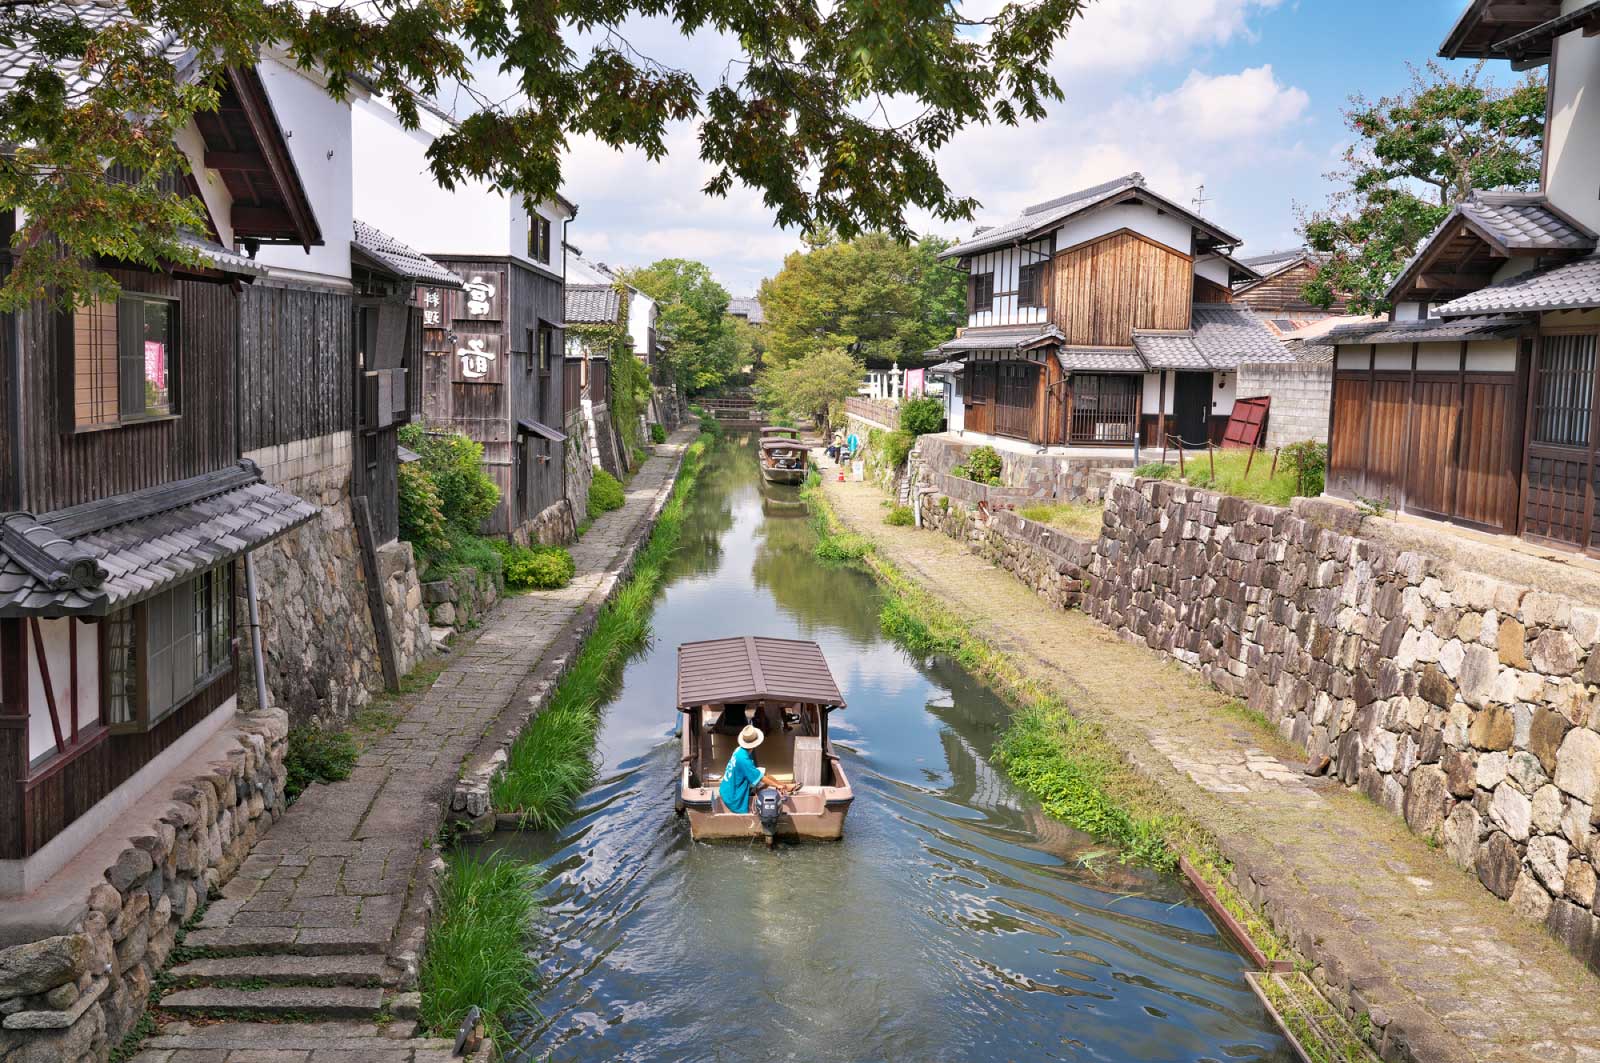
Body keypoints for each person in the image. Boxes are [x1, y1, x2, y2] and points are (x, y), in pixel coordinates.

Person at [718, 725, 795, 814]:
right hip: (732, 795)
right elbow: (759, 777)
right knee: (763, 778)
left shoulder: (739, 750)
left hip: (727, 788)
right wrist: (776, 786)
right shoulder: (743, 759)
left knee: (762, 772)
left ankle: (784, 786)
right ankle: (783, 787)